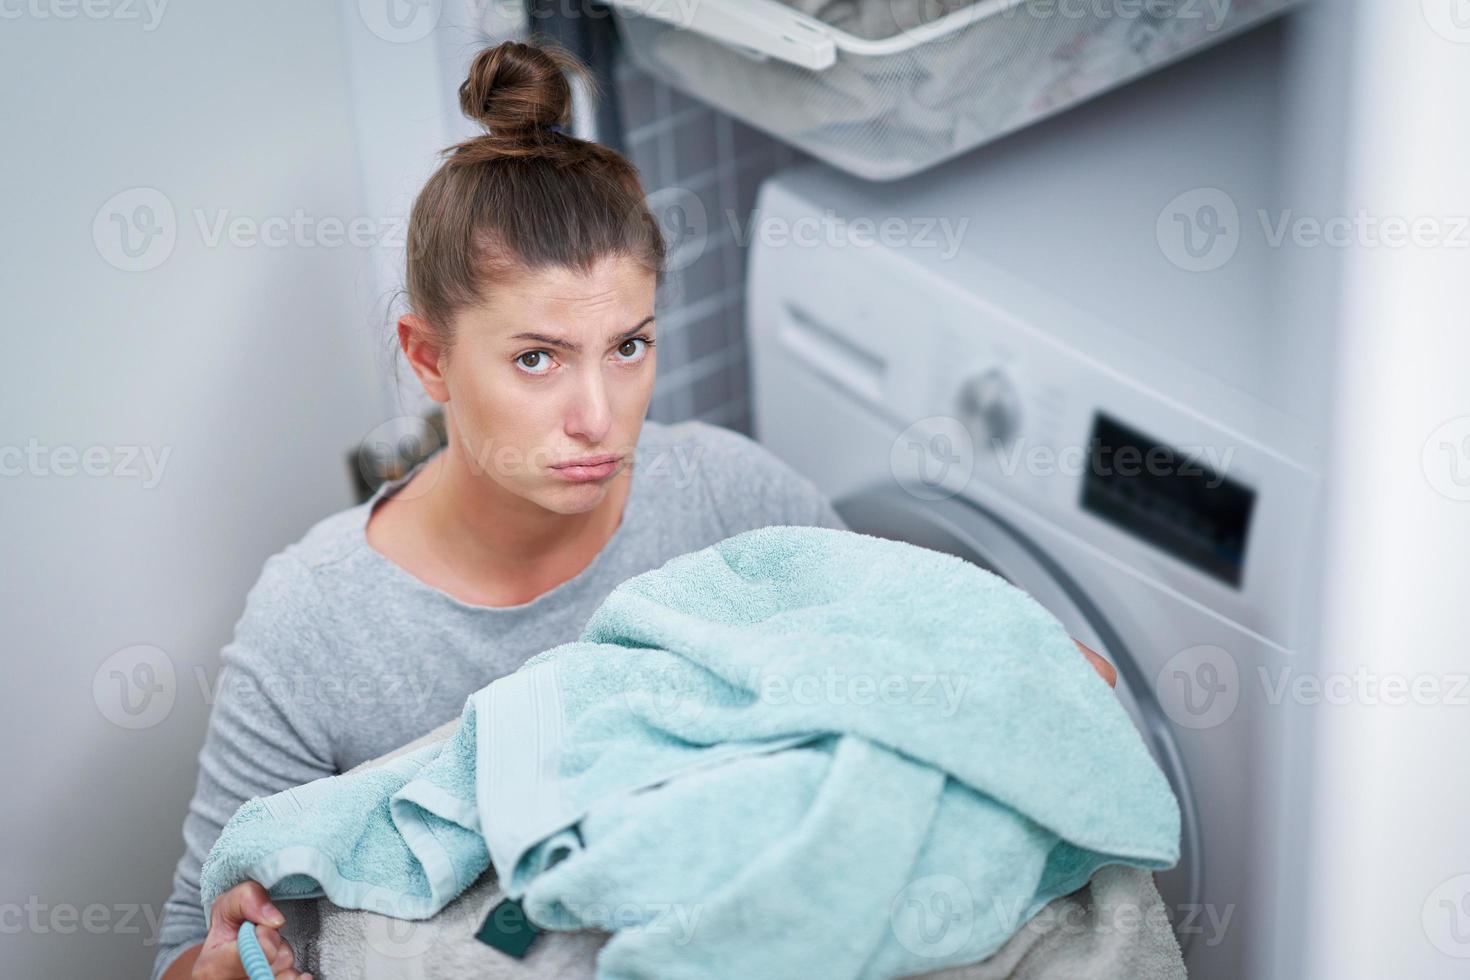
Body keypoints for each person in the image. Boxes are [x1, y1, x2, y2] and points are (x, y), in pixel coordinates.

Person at [154, 37, 1115, 980]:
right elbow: (183, 947)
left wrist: (1018, 671)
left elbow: (881, 678)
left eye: (629, 346)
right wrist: (220, 967)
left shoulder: (732, 501)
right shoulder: (317, 626)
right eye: (537, 358)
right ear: (428, 358)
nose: (600, 418)